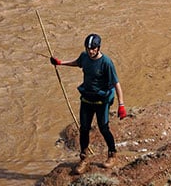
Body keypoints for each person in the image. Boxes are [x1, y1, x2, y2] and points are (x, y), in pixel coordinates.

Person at [50, 33, 127, 174]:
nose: (90, 51)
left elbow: (116, 83)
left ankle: (112, 154)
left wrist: (121, 105)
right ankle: (84, 158)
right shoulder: (84, 57)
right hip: (86, 99)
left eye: (93, 48)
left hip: (101, 101)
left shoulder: (106, 63)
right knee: (84, 129)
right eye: (88, 48)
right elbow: (77, 62)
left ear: (98, 48)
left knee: (103, 128)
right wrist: (60, 63)